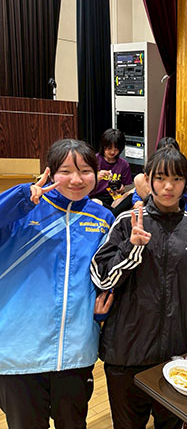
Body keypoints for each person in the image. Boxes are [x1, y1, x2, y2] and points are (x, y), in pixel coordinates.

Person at [90, 147, 187, 429]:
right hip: (126, 355)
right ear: (148, 180)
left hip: (176, 358)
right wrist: (131, 247)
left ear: (186, 181)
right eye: (160, 178)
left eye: (176, 179)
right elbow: (102, 279)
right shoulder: (127, 222)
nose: (168, 186)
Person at [0, 139, 115, 429]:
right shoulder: (25, 209)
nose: (76, 179)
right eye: (66, 171)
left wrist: (102, 308)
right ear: (49, 173)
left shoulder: (103, 218)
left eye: (85, 171)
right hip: (19, 352)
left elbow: (108, 272)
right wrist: (21, 197)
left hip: (77, 351)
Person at [91, 128, 133, 207]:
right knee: (95, 202)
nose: (112, 152)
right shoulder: (94, 160)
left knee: (131, 194)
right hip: (95, 197)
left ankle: (112, 211)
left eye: (116, 149)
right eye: (109, 148)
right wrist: (97, 178)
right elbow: (84, 184)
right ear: (103, 146)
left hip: (114, 198)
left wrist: (121, 188)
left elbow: (125, 186)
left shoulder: (124, 164)